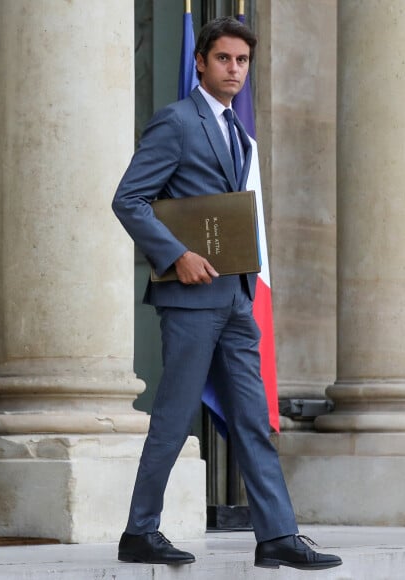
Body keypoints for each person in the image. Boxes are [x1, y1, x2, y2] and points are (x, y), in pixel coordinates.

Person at [112, 16, 342, 571]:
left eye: (242, 61)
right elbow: (129, 200)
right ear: (200, 61)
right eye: (224, 59)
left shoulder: (237, 132)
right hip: (190, 302)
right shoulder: (176, 122)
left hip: (237, 300)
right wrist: (177, 255)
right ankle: (139, 532)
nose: (234, 69)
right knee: (172, 418)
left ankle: (277, 537)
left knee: (252, 420)